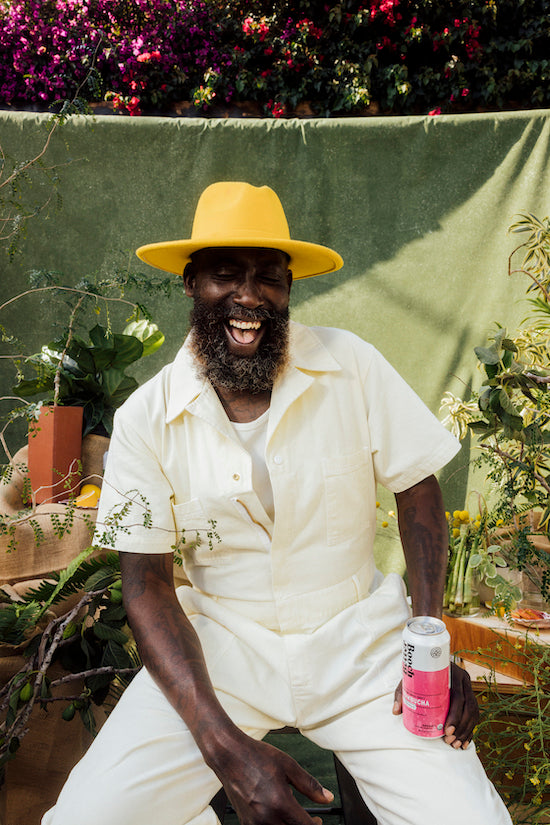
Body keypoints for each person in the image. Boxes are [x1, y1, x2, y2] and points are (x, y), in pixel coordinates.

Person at [43, 182, 511, 825]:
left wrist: (428, 643)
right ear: (190, 282)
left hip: (361, 645)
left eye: (270, 277)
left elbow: (418, 490)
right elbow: (146, 586)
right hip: (219, 653)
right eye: (226, 273)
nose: (249, 296)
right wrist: (221, 745)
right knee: (87, 818)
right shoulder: (146, 418)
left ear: (290, 288)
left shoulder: (353, 367)